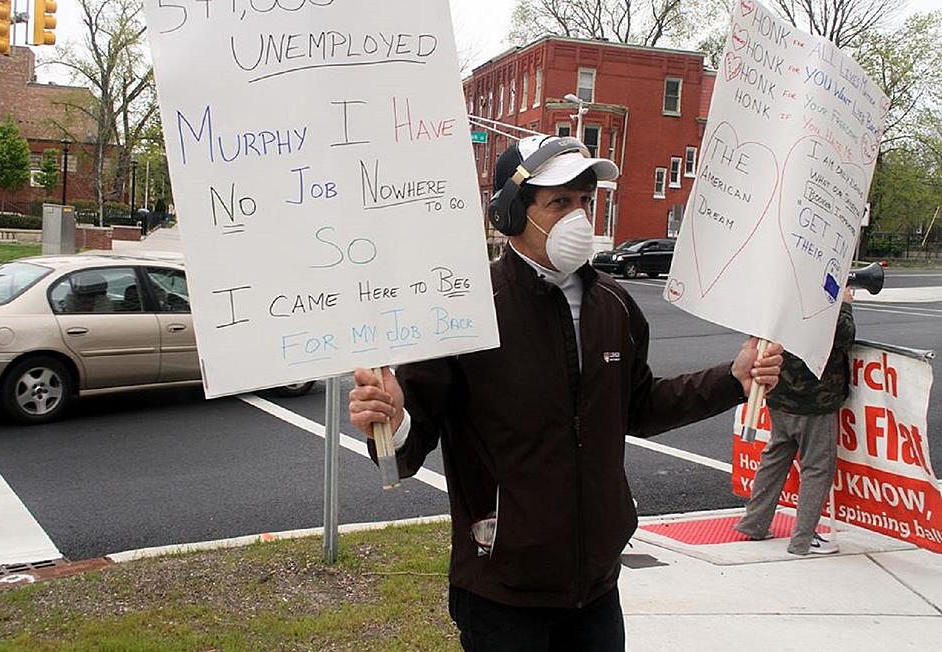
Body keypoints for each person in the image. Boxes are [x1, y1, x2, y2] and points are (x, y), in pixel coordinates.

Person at [349, 135, 784, 651]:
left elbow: (640, 408)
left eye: (584, 201)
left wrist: (731, 379)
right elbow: (405, 451)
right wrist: (392, 421)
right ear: (511, 214)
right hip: (502, 592)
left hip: (596, 588)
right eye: (559, 202)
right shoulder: (464, 311)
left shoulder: (614, 306)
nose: (579, 216)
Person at [734, 290, 855, 555]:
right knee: (817, 467)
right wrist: (844, 305)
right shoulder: (822, 296)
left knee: (775, 456)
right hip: (815, 398)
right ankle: (803, 539)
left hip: (779, 392)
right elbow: (843, 335)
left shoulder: (783, 291)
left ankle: (754, 522)